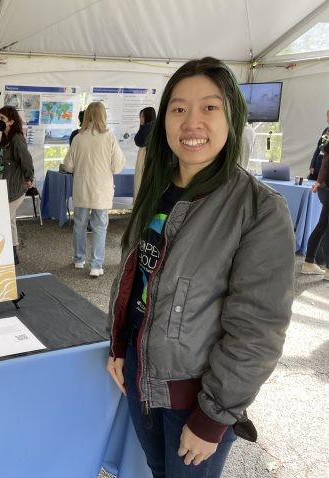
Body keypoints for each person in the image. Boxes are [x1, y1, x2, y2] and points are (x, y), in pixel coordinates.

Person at [106, 57, 295, 478]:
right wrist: (120, 345)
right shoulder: (158, 187)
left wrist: (213, 417)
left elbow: (257, 328)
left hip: (196, 398)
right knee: (157, 470)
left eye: (209, 107)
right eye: (179, 108)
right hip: (141, 376)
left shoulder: (259, 209)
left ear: (232, 116)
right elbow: (135, 278)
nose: (192, 122)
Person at [62, 101, 125, 278]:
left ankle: (78, 259)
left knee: (80, 224)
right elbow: (118, 165)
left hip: (82, 187)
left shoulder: (78, 138)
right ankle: (96, 265)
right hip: (101, 189)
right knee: (99, 226)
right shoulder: (109, 137)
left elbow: (68, 165)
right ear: (103, 115)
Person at [0, 105, 34, 265]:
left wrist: (29, 178)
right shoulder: (5, 138)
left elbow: (27, 161)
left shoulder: (16, 139)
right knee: (9, 221)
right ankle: (13, 255)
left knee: (3, 220)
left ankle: (5, 255)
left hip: (14, 189)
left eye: (2, 118)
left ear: (11, 121)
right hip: (3, 187)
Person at [302, 141, 329, 278]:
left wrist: (319, 182)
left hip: (324, 186)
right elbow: (324, 162)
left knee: (322, 226)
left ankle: (309, 262)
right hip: (326, 187)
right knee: (324, 228)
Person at [133, 106, 157, 199]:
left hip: (146, 163)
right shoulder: (156, 129)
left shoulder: (148, 129)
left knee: (141, 185)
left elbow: (139, 141)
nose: (141, 119)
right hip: (147, 163)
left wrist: (144, 127)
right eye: (140, 116)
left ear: (148, 117)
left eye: (142, 116)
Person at [308, 109, 329, 180]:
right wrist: (312, 165)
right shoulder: (326, 130)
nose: (327, 120)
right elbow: (318, 148)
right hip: (318, 165)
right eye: (327, 117)